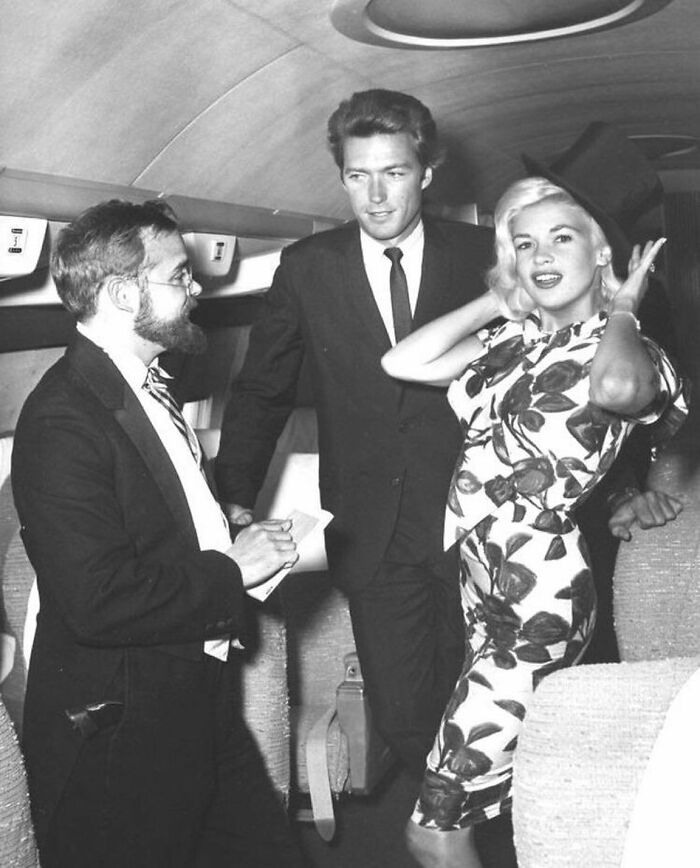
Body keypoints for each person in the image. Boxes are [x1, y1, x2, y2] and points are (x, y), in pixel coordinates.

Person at [381, 172, 686, 866]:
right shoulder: (510, 348)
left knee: (434, 828)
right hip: (483, 583)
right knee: (501, 792)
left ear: (602, 251)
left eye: (560, 238)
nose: (540, 255)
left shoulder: (628, 349)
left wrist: (625, 307)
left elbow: (616, 389)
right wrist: (499, 295)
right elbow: (402, 358)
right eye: (524, 244)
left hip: (540, 598)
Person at [11, 200, 305, 868]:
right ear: (122, 293)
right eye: (179, 276)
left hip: (193, 696)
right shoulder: (63, 419)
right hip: (123, 727)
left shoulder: (146, 385)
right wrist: (233, 571)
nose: (197, 287)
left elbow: (155, 517)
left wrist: (222, 526)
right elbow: (96, 598)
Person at [215, 88, 494, 777]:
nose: (374, 196)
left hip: (479, 518)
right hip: (372, 531)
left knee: (490, 710)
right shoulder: (308, 269)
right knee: (407, 721)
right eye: (357, 176)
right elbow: (261, 389)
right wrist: (232, 498)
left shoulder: (485, 257)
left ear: (427, 173)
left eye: (394, 173)